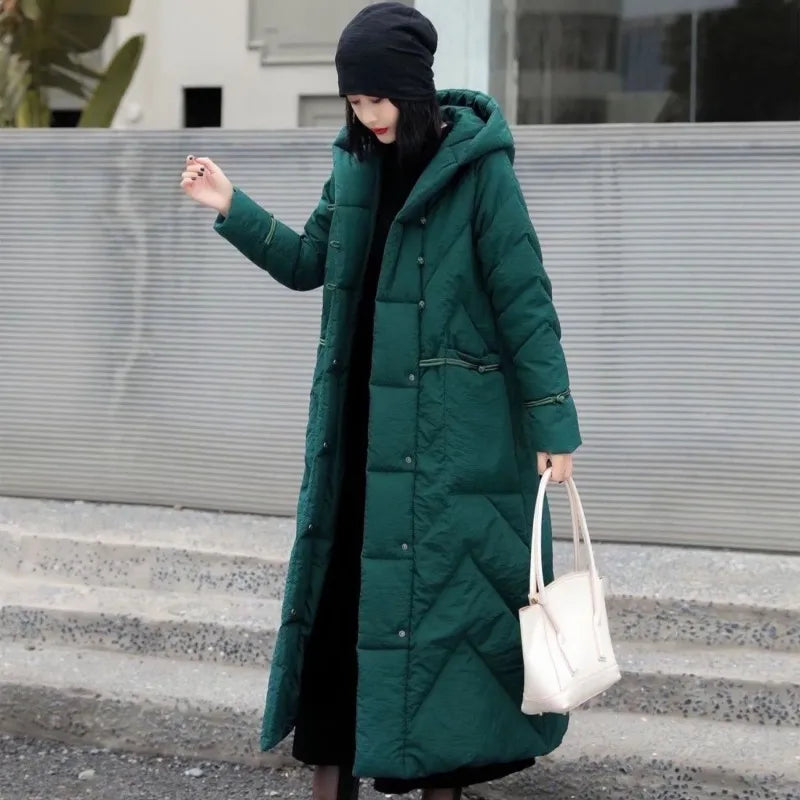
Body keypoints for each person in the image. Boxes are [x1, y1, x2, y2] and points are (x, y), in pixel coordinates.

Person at [181, 4, 581, 798]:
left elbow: (525, 301)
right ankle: (336, 770)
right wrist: (232, 205)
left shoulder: (480, 171)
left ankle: (442, 781)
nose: (365, 116)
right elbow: (306, 262)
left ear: (410, 89)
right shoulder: (353, 164)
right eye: (353, 103)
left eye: (376, 100)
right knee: (345, 606)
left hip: (450, 438)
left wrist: (555, 427)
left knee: (448, 610)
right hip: (361, 429)